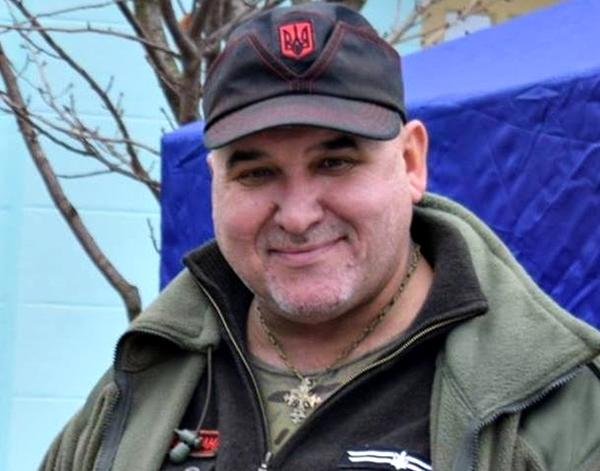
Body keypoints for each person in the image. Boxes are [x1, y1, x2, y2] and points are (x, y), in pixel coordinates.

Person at [40, 3, 600, 471]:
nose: (298, 215)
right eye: (256, 172)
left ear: (411, 162)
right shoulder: (138, 387)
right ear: (214, 183)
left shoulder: (555, 408)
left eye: (335, 162)